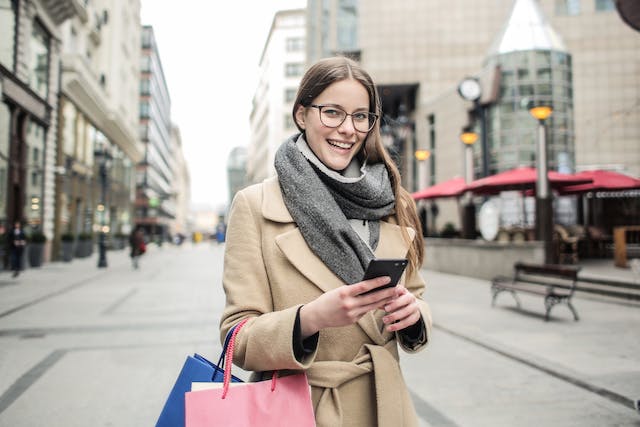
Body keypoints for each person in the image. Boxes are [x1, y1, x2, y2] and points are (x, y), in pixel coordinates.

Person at [220, 56, 432, 426]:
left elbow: (417, 296)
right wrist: (311, 318)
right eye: (332, 112)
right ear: (302, 115)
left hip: (385, 406)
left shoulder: (392, 200)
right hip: (300, 410)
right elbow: (236, 338)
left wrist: (414, 316)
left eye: (360, 116)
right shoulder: (255, 205)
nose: (348, 128)